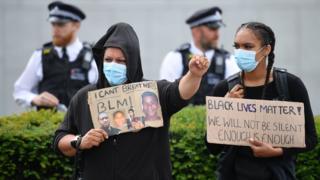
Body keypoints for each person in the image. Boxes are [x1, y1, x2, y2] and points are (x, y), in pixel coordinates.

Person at [53, 22, 209, 179]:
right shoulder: (84, 97)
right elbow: (60, 139)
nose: (113, 65)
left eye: (121, 61)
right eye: (108, 60)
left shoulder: (152, 93)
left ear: (133, 61)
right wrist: (79, 141)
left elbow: (180, 92)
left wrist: (194, 75)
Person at [205, 22, 318, 180]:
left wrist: (278, 151)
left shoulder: (290, 85)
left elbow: (311, 139)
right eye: (237, 46)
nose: (240, 52)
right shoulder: (224, 89)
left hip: (278, 174)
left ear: (266, 49)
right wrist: (225, 108)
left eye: (248, 46)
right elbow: (212, 147)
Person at [13, 1, 98, 110]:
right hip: (47, 125)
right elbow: (19, 91)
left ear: (76, 25)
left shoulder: (91, 57)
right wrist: (35, 98)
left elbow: (101, 94)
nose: (55, 29)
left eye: (61, 24)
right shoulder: (40, 56)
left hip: (80, 126)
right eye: (53, 24)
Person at [160, 6, 240, 105]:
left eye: (218, 29)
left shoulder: (228, 60)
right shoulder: (175, 58)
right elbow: (167, 98)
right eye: (212, 28)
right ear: (196, 31)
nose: (217, 34)